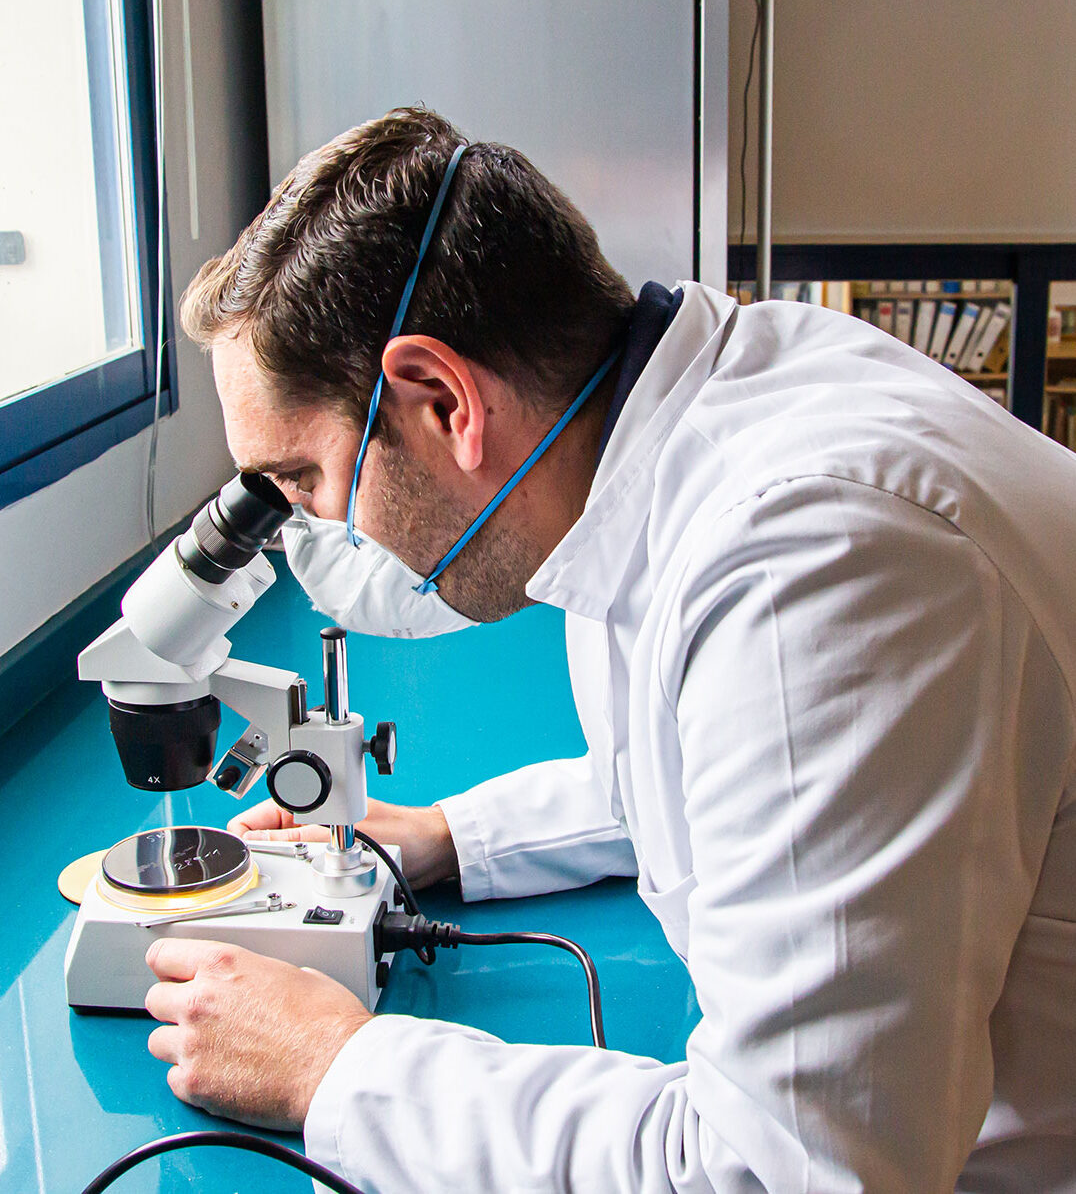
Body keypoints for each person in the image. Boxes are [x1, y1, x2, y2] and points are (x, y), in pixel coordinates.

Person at [144, 107, 1076, 1192]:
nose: (322, 526)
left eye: (303, 479)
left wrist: (340, 1066)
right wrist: (453, 835)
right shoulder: (671, 430)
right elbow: (731, 776)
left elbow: (785, 1172)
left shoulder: (808, 560)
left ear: (442, 400)